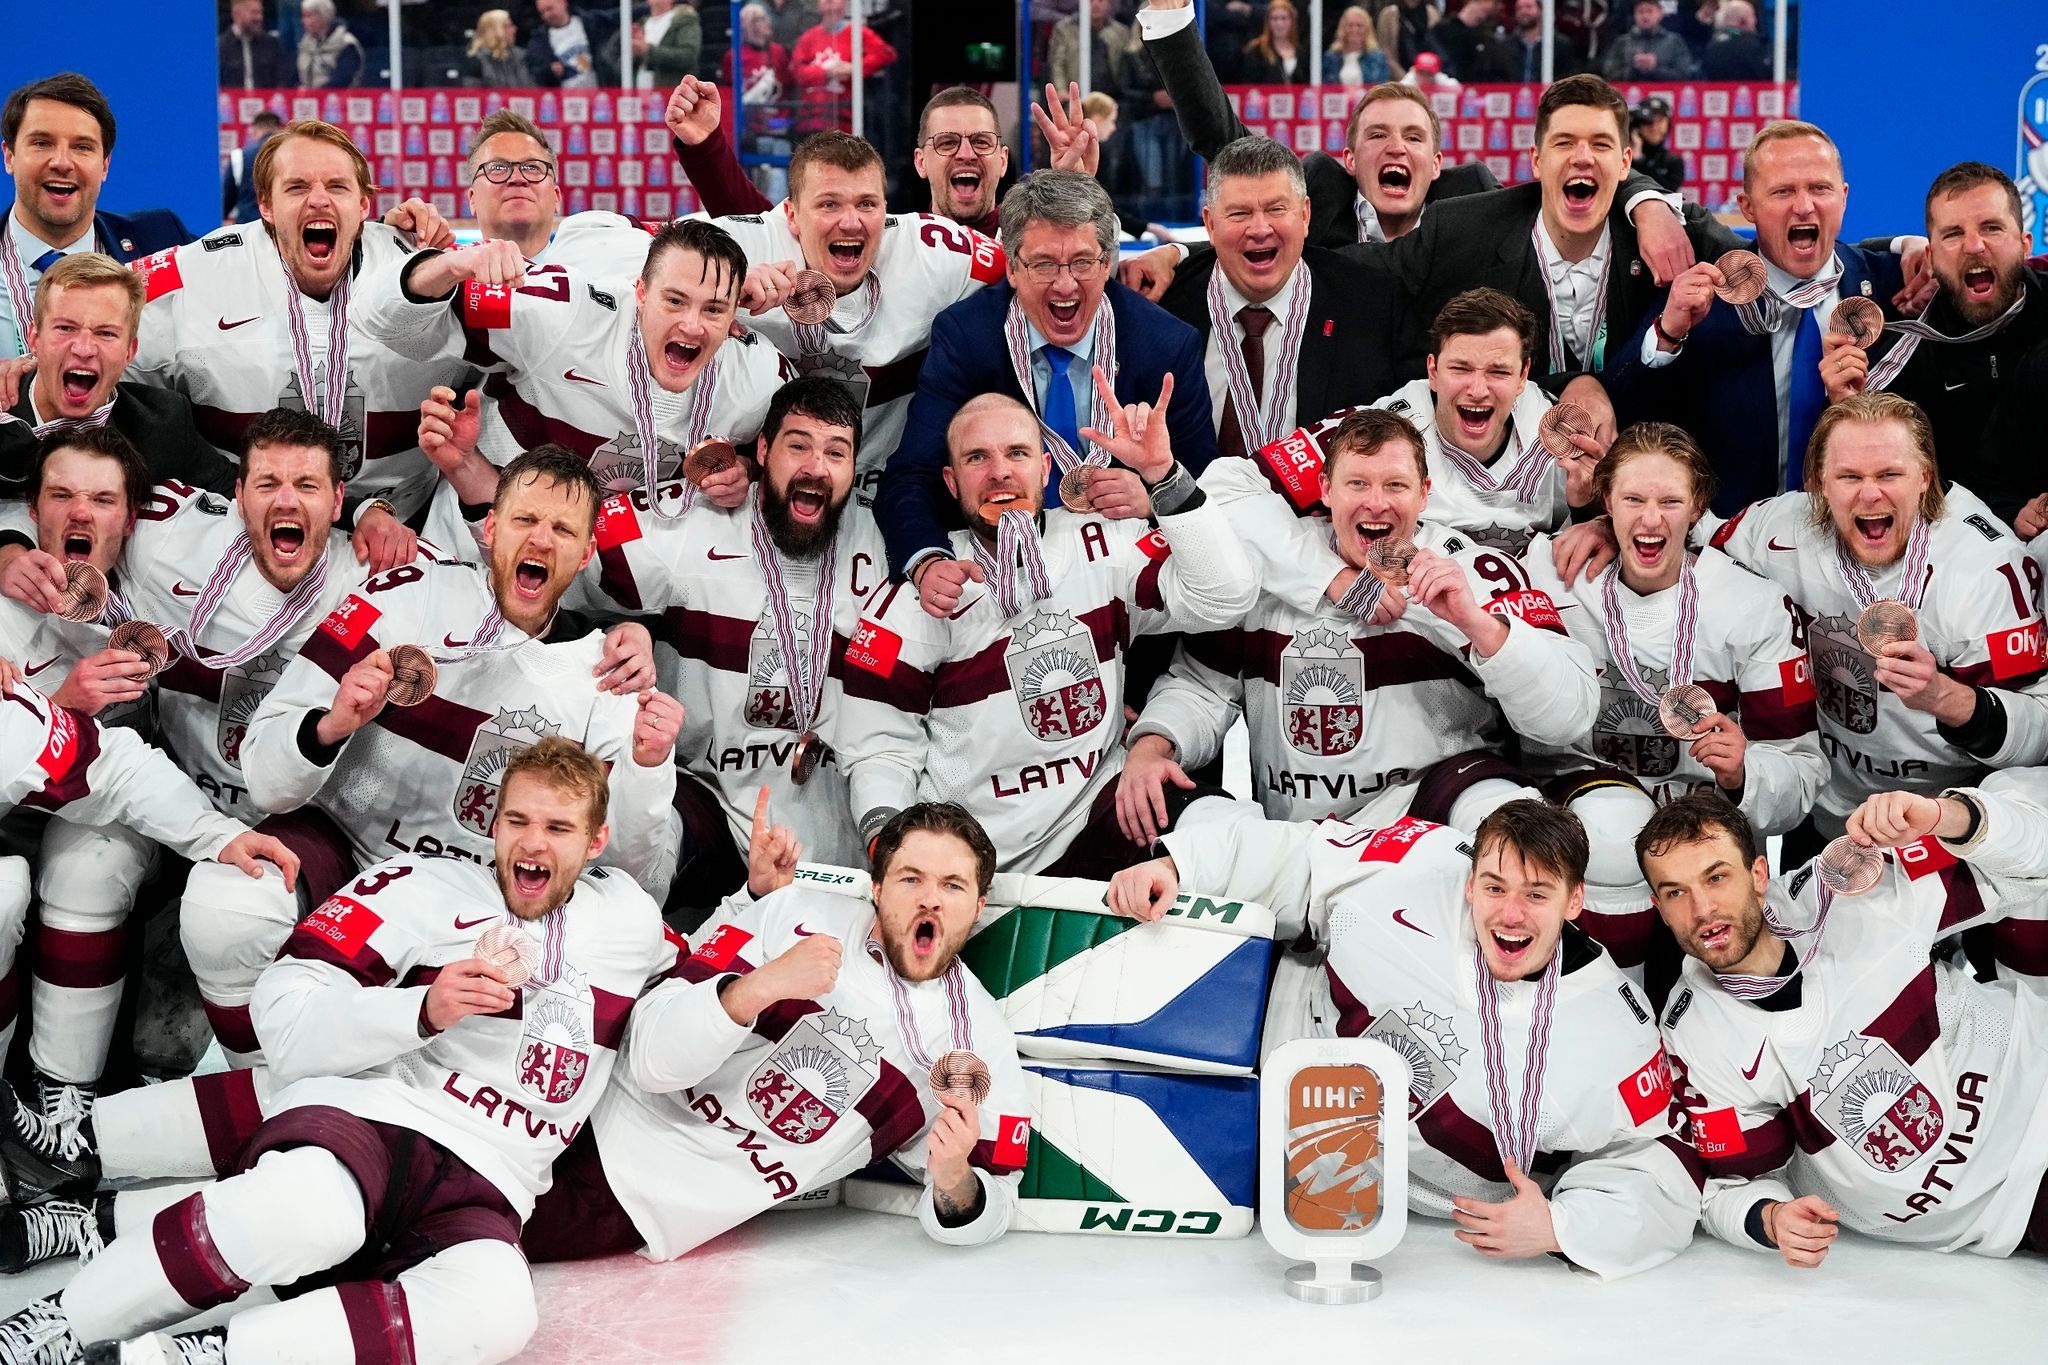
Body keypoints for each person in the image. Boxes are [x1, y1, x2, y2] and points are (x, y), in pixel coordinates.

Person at [0, 738, 675, 1365]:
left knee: (499, 1309)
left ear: (595, 842)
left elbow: (700, 991)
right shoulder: (418, 886)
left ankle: (182, 1355)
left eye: (557, 828)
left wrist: (762, 899)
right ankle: (63, 1325)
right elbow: (284, 1015)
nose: (532, 842)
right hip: (378, 1118)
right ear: (490, 824)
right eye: (518, 820)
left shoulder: (630, 921)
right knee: (302, 1209)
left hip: (492, 1176)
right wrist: (421, 1007)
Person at [179, 449, 676, 1070]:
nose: (541, 541)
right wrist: (330, 726)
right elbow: (262, 773)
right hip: (344, 846)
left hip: (478, 897)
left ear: (583, 556)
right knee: (226, 904)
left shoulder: (605, 676)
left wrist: (650, 767)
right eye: (525, 520)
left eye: (564, 530)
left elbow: (635, 877)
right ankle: (248, 1078)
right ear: (490, 528)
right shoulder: (396, 597)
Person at [17, 410, 455, 1091]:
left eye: (309, 485)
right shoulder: (170, 533)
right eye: (268, 482)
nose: (286, 500)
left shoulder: (390, 575)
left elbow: (495, 620)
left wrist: (611, 653)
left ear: (337, 500)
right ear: (238, 492)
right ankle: (60, 1091)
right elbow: (70, 512)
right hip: (179, 781)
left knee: (228, 907)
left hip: (315, 816)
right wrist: (12, 552)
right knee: (82, 869)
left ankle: (264, 1093)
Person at [1112, 797, 1702, 1277]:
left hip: (1385, 1206)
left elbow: (1659, 1164)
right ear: (1470, 882)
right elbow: (1303, 857)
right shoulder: (1417, 859)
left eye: (1538, 894)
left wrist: (1564, 1228)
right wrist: (1175, 868)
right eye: (1495, 887)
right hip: (1266, 1025)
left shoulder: (1616, 1033)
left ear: (1576, 901)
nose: (1512, 914)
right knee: (1208, 818)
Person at [521, 799, 1046, 1263]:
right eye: (911, 878)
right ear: (878, 887)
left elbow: (991, 1206)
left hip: (625, 1198)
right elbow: (651, 1060)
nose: (930, 899)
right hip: (568, 1099)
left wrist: (954, 1176)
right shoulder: (793, 911)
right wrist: (756, 988)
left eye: (953, 885)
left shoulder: (977, 1041)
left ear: (979, 906)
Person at [1121, 407, 1595, 844]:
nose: (1376, 504)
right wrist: (1154, 743)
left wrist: (1474, 623)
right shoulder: (1270, 570)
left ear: (1425, 495)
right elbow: (1203, 688)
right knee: (1182, 824)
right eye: (1357, 485)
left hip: (1428, 823)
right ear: (1324, 488)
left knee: (1512, 819)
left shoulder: (1476, 571)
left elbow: (1566, 717)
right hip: (1303, 843)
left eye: (1395, 486)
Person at [840, 389, 1252, 875]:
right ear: (951, 483)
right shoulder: (921, 592)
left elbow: (1226, 597)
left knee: (1237, 838)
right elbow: (878, 748)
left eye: (1017, 453)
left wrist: (1164, 477)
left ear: (1045, 470)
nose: (999, 472)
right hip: (973, 855)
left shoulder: (1099, 542)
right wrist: (895, 849)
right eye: (978, 458)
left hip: (1102, 810)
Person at [1639, 787, 2048, 1264]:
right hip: (2004, 1205)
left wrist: (1945, 816)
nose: (1702, 909)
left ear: (1757, 874)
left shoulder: (1851, 884)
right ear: (1657, 906)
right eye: (1675, 892)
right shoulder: (1692, 1035)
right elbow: (1732, 1185)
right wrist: (1768, 1219)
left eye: (1716, 878)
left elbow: (2032, 865)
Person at [1518, 422, 1823, 982]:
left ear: (1698, 506)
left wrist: (1743, 773)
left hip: (1698, 835)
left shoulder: (1753, 608)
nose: (1651, 519)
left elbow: (1802, 778)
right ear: (1606, 500)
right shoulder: (1549, 572)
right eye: (1633, 499)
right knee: (1611, 824)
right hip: (1580, 818)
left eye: (1670, 501)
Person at [581, 377, 883, 899]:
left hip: (835, 815)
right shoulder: (691, 521)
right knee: (635, 838)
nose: (816, 466)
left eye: (837, 451)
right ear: (762, 449)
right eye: (797, 445)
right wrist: (627, 628)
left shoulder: (885, 540)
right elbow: (562, 557)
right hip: (709, 798)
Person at [1706, 393, 2048, 851]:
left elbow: (2039, 737)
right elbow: (1693, 537)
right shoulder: (1782, 527)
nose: (1870, 493)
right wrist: (1604, 528)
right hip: (1824, 806)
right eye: (1849, 476)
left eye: (1889, 474)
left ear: (1925, 477)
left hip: (1938, 825)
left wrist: (1947, 698)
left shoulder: (1982, 570)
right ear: (1819, 483)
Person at [126, 119, 464, 544]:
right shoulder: (199, 274)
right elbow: (97, 331)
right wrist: (37, 362)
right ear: (265, 204)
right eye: (298, 187)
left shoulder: (420, 269)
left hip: (399, 532)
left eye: (337, 187)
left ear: (363, 206)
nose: (319, 199)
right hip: (232, 529)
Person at [878, 171, 1216, 589]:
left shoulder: (1165, 346)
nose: (1064, 284)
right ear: (1013, 268)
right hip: (994, 574)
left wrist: (1154, 497)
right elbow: (911, 474)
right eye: (1043, 264)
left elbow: (1207, 479)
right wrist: (929, 560)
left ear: (1107, 262)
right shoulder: (966, 337)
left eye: (1082, 262)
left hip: (1130, 583)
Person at [361, 218, 781, 520]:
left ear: (734, 318)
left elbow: (800, 449)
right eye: (674, 301)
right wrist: (453, 266)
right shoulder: (561, 313)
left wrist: (746, 468)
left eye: (713, 309)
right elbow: (387, 322)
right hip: (477, 546)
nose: (691, 325)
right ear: (640, 291)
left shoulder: (756, 375)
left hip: (614, 586)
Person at [1607, 122, 1907, 514]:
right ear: (1747, 206)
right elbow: (1621, 413)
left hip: (1862, 537)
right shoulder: (1703, 299)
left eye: (1820, 188)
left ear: (1844, 197)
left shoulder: (1892, 288)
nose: (1804, 206)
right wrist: (1667, 333)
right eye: (1783, 191)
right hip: (1730, 547)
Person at [709, 131, 1005, 505]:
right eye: (829, 205)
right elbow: (632, 257)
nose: (851, 223)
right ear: (791, 214)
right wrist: (715, 290)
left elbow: (1035, 270)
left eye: (866, 204)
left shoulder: (930, 251)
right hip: (774, 492)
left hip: (890, 493)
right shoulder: (740, 246)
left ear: (886, 207)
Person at [1136, 1, 1502, 249]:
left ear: (1437, 163)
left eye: (1413, 136)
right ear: (1350, 160)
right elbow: (1227, 144)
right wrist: (1172, 21)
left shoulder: (1470, 202)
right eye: (1377, 134)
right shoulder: (1319, 198)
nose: (1396, 146)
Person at [1154, 137, 1403, 457]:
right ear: (1210, 225)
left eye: (1276, 209)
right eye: (1240, 213)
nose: (1259, 228)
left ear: (1304, 216)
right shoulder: (1165, 303)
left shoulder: (1370, 307)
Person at [1851, 164, 2048, 531]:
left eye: (1992, 227)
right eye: (1953, 234)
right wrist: (1841, 403)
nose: (1974, 246)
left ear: (2025, 243)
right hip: (1951, 549)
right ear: (1930, 256)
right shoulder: (1902, 354)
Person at [0, 253, 237, 498]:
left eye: (105, 334)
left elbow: (238, 498)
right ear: (34, 339)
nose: (84, 349)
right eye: (65, 328)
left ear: (129, 351)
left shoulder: (163, 423)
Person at [0, 73, 193, 356]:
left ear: (104, 165)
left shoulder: (160, 239)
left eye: (82, 147)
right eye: (42, 143)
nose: (62, 163)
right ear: (9, 157)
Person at [670, 79, 1012, 238]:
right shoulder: (889, 241)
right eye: (948, 142)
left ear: (1003, 159)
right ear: (921, 162)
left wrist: (1068, 175)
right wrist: (705, 147)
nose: (966, 154)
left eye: (981, 142)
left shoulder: (1032, 247)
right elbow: (760, 227)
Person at [790, 0, 897, 137]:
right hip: (811, 120)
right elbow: (796, 71)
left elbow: (887, 54)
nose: (829, 1)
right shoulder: (808, 38)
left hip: (847, 119)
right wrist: (827, 72)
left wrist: (854, 68)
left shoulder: (858, 32)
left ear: (845, 4)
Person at [527, 0, 620, 88]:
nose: (547, 15)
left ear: (563, 3)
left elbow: (617, 16)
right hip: (565, 100)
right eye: (542, 12)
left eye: (550, 9)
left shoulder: (588, 22)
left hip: (599, 96)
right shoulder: (539, 41)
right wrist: (550, 70)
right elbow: (535, 71)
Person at [1048, 0, 1130, 95]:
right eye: (1090, 1)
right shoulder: (1064, 29)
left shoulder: (1121, 32)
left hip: (1112, 96)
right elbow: (1057, 64)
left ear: (1109, 4)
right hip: (1076, 94)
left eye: (1100, 0)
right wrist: (1061, 90)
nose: (1095, 5)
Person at [1601, 0, 1698, 80]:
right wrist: (1634, 68)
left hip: (1666, 96)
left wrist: (1655, 68)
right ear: (1634, 15)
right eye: (1640, 11)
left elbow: (1684, 75)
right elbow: (1609, 74)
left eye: (1650, 11)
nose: (1645, 16)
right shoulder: (1623, 42)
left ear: (1660, 13)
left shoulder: (1674, 41)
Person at [1429, 0, 1518, 83]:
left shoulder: (1487, 38)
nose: (1498, 7)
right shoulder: (1441, 31)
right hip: (1448, 92)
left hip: (1478, 94)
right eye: (1494, 2)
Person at [221, 110, 281, 227]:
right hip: (279, 227)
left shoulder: (239, 156)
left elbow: (227, 200)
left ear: (254, 131)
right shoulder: (291, 155)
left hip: (247, 227)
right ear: (280, 129)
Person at [218, 0, 292, 91]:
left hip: (268, 103)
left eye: (261, 13)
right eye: (254, 13)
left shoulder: (272, 44)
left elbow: (283, 80)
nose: (259, 17)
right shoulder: (220, 47)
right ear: (236, 14)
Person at [295, 0, 365, 90]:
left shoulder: (347, 44)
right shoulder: (305, 43)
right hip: (306, 101)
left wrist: (314, 94)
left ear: (323, 16)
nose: (303, 21)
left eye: (309, 16)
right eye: (303, 16)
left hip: (339, 101)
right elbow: (294, 77)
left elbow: (341, 81)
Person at [634, 0, 702, 91]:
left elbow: (688, 54)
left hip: (672, 89)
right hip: (640, 88)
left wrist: (649, 50)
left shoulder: (685, 20)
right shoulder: (641, 23)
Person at [737, 3, 795, 108]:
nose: (768, 22)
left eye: (767, 18)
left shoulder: (778, 51)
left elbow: (788, 84)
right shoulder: (735, 55)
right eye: (762, 19)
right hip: (749, 117)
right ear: (749, 24)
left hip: (777, 116)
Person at [1239, 0, 1310, 85]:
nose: (1279, 23)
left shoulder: (1301, 52)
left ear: (1292, 21)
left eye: (1284, 18)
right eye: (1275, 19)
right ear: (1268, 22)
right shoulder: (1257, 51)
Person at [463, 8, 536, 88]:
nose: (514, 29)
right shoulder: (476, 61)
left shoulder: (521, 56)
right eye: (508, 26)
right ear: (494, 30)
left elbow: (532, 89)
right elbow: (472, 95)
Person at [1700, 0, 1770, 81]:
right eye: (1752, 16)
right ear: (1743, 21)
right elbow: (1765, 76)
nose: (1755, 21)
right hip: (1749, 91)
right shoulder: (1751, 45)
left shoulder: (1711, 45)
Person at [1326, 6, 1392, 89]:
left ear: (1367, 29)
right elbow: (1325, 87)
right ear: (1342, 28)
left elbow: (1382, 89)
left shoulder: (1377, 58)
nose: (1354, 30)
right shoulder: (1331, 57)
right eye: (1350, 25)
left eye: (1359, 26)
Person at [1629, 98, 1684, 195]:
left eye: (1660, 121)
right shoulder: (1625, 158)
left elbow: (1665, 193)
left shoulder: (1673, 162)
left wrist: (1640, 161)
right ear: (1638, 125)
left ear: (1668, 124)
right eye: (1648, 121)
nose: (1654, 127)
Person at [1378, 0, 1441, 80]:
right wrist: (1407, 80)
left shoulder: (1432, 13)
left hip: (1429, 76)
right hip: (1399, 79)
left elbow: (1438, 49)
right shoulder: (1389, 14)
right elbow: (1386, 52)